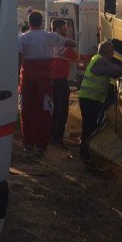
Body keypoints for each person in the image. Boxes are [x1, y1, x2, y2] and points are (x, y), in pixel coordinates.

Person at [18, 11, 75, 157]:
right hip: (45, 81)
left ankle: (28, 144)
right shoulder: (50, 37)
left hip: (27, 80)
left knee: (26, 111)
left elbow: (18, 58)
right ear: (42, 22)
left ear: (29, 23)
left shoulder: (22, 38)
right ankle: (41, 146)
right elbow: (70, 43)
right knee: (44, 112)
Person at [78, 40, 122, 162]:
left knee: (88, 125)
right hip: (90, 99)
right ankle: (87, 154)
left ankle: (86, 152)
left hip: (89, 98)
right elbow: (115, 70)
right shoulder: (101, 61)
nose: (113, 54)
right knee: (90, 126)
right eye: (112, 51)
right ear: (108, 52)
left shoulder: (96, 58)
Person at [51, 19, 78, 148]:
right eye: (64, 27)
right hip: (60, 79)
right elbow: (74, 56)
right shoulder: (61, 42)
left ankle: (52, 135)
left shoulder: (50, 40)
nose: (66, 29)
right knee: (62, 109)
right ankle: (57, 138)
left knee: (55, 109)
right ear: (57, 28)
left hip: (53, 78)